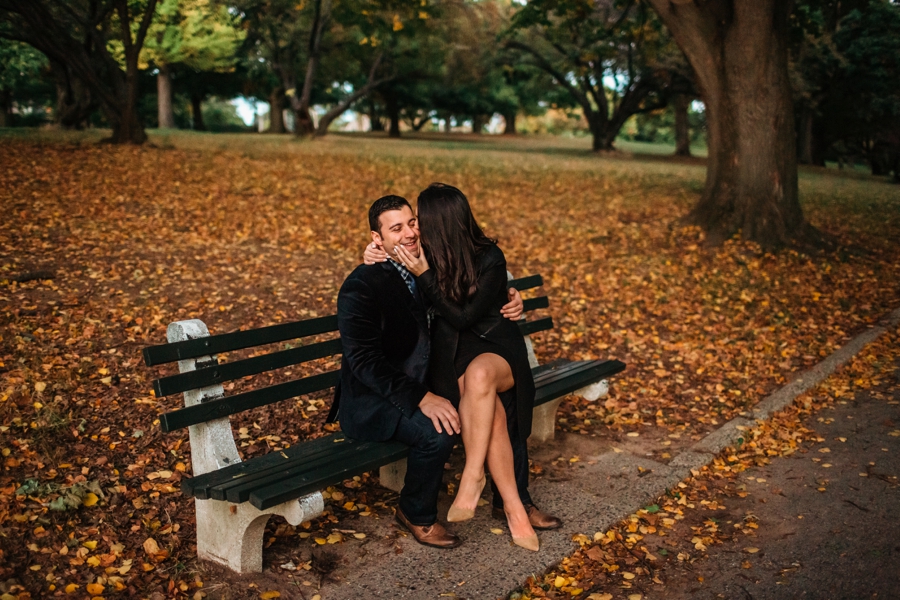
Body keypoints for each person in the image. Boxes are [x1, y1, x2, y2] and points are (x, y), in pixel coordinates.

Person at [331, 194, 525, 549]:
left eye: (412, 223)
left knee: (488, 401)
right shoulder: (362, 286)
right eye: (395, 229)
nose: (408, 233)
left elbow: (468, 293)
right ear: (377, 239)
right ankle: (415, 513)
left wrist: (510, 297)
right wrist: (422, 398)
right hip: (375, 401)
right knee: (438, 431)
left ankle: (513, 502)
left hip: (428, 382)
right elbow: (363, 362)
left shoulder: (428, 265)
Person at [391, 183, 553, 552]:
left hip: (498, 349)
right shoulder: (422, 254)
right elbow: (386, 251)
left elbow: (464, 316)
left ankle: (473, 476)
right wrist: (372, 254)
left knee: (483, 377)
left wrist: (513, 297)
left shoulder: (490, 257)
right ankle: (514, 508)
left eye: (419, 220)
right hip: (453, 361)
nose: (415, 229)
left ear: (440, 223)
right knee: (486, 400)